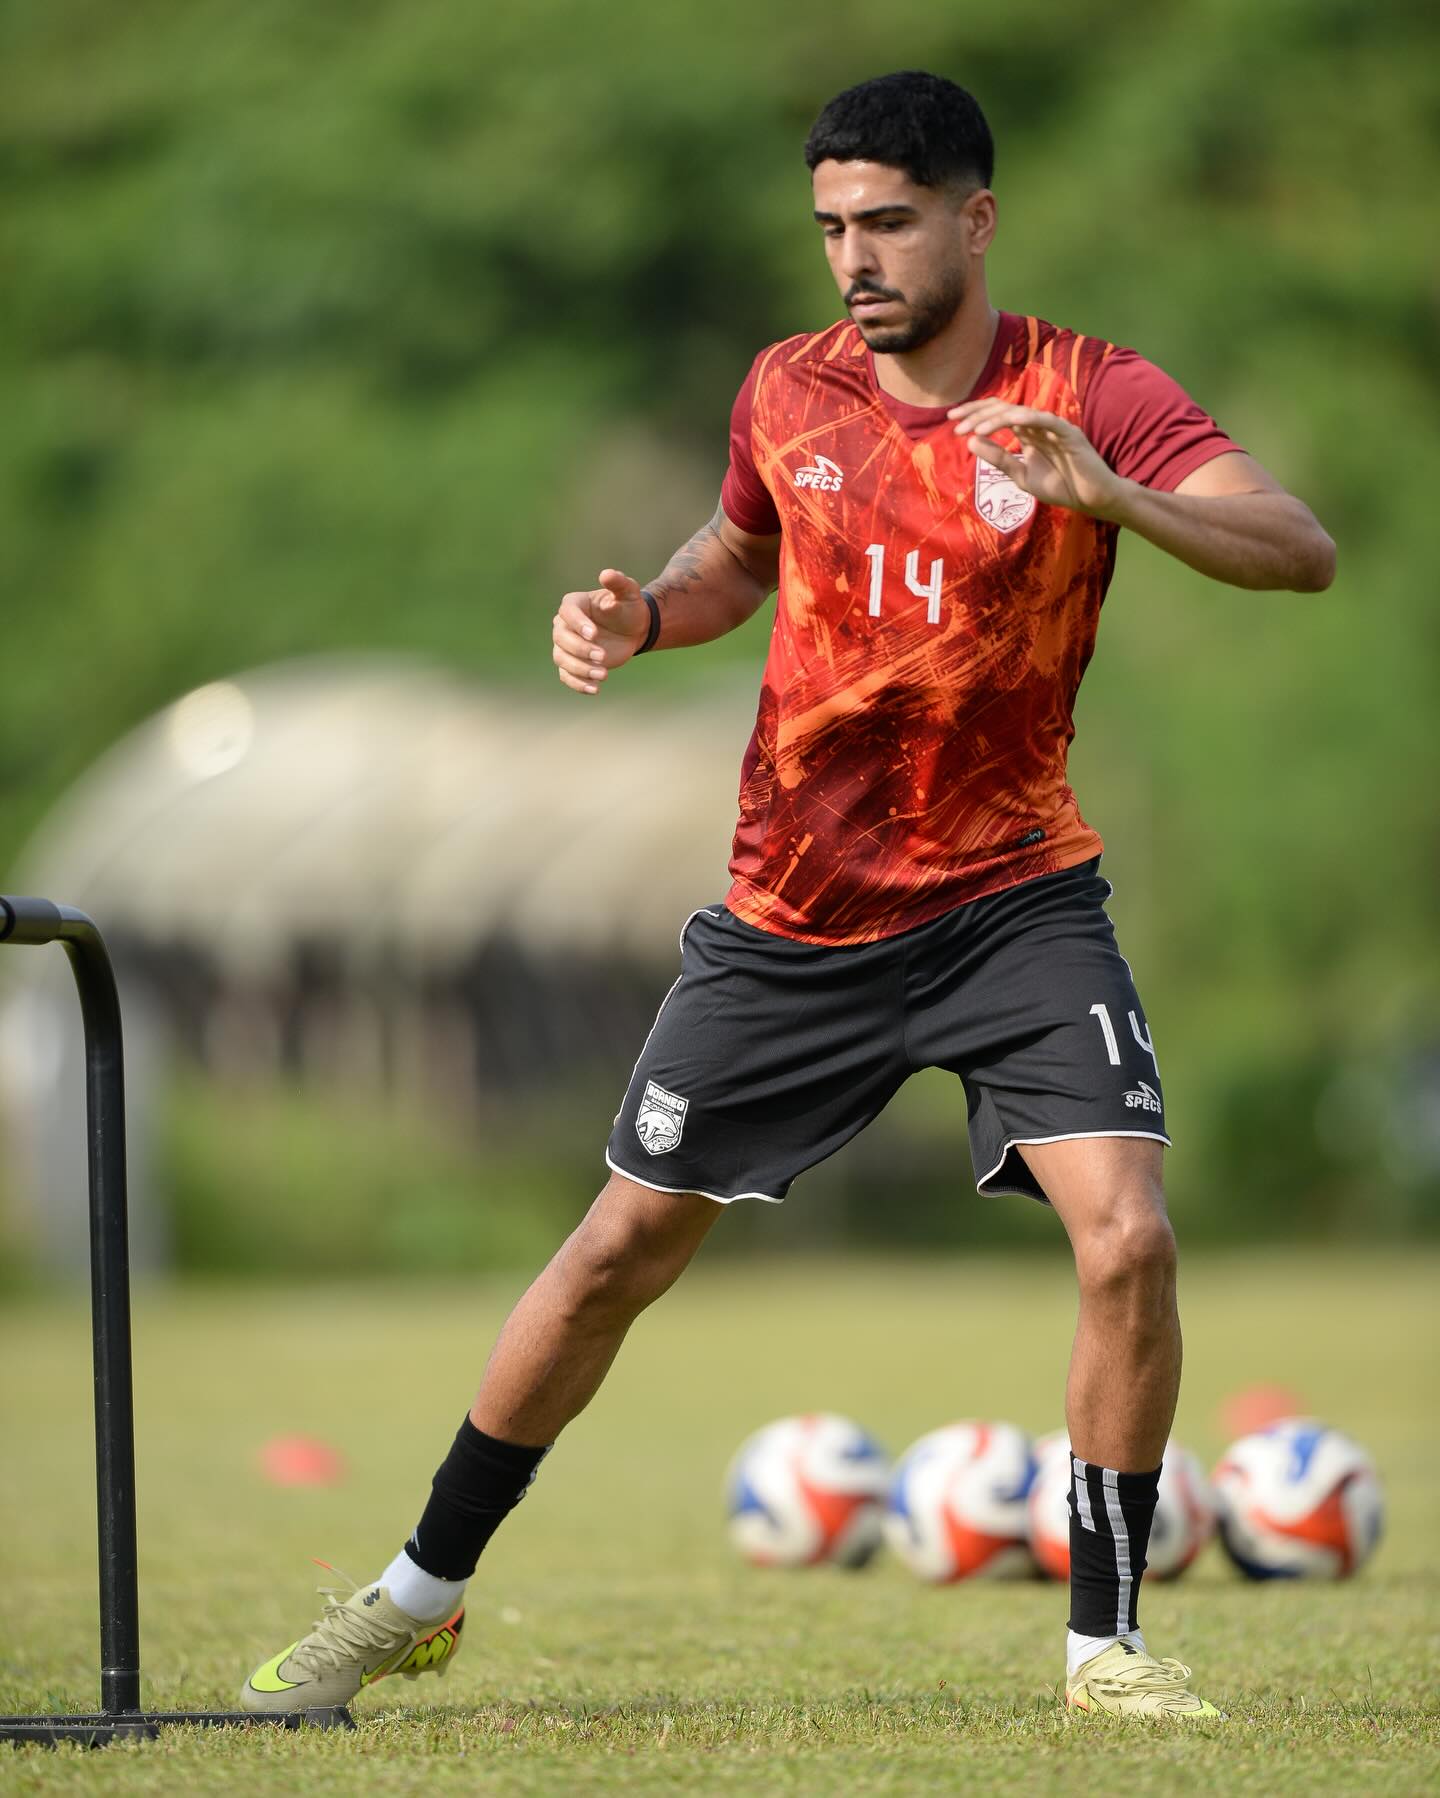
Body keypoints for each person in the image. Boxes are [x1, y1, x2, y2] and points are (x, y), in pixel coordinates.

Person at [242, 70, 1334, 1723]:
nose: (855, 257)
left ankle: (1103, 1646)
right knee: (615, 1249)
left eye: (887, 220)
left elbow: (1297, 544)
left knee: (1130, 1238)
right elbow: (739, 554)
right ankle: (416, 1593)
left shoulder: (1089, 390)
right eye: (831, 226)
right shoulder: (789, 387)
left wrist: (1117, 499)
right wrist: (645, 614)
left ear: (976, 218)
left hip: (1014, 900)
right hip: (793, 918)